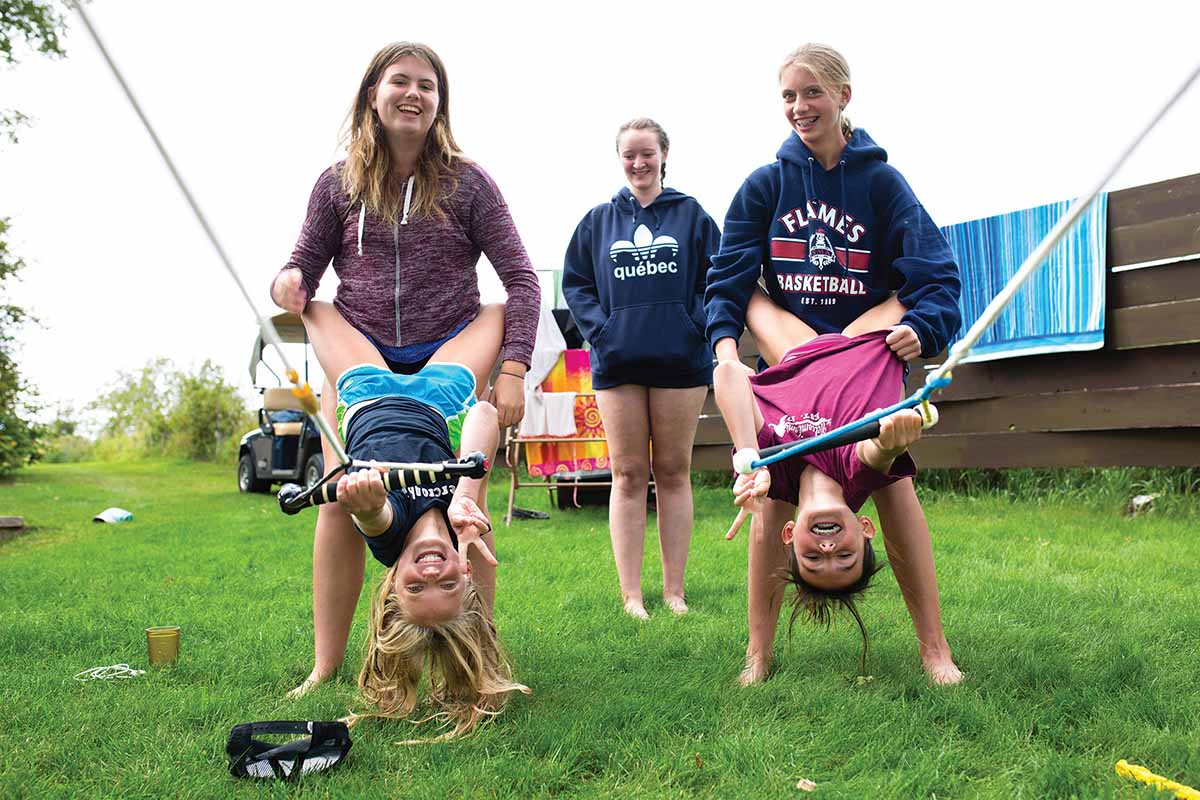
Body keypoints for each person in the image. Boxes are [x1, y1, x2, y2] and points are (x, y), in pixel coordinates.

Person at [272, 42, 540, 697]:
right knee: (339, 500)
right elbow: (305, 259)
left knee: (465, 512)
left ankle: (479, 648)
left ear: (439, 103)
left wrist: (512, 372)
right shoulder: (337, 184)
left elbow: (522, 282)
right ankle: (326, 663)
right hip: (360, 347)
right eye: (400, 82)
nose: (413, 94)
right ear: (374, 93)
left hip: (450, 344)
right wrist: (290, 279)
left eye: (427, 85)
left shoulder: (469, 184)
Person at [704, 43, 962, 684]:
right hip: (791, 356)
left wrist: (920, 328)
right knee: (770, 509)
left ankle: (936, 650)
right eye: (789, 96)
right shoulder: (766, 184)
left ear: (844, 96)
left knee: (896, 492)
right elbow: (729, 277)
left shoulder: (881, 183)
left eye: (812, 92)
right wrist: (726, 346)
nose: (799, 107)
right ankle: (757, 657)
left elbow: (936, 276)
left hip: (866, 351)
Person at [296, 300, 527, 741]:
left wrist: (365, 503)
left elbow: (375, 516)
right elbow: (483, 415)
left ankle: (324, 666)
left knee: (309, 305)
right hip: (442, 398)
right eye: (447, 584)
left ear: (394, 582)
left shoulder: (391, 536)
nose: (431, 571)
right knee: (496, 312)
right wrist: (465, 494)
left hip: (367, 392)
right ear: (464, 573)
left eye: (416, 587)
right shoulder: (463, 528)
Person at [562, 118, 721, 619]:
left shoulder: (691, 215)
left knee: (673, 471)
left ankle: (674, 591)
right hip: (617, 363)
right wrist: (603, 331)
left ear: (664, 154)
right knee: (628, 474)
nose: (638, 163)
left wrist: (696, 323)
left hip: (682, 362)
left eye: (646, 153)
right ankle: (631, 595)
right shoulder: (597, 222)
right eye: (629, 155)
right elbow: (577, 284)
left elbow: (718, 277)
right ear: (620, 159)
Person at [715, 323, 925, 682]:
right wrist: (893, 440)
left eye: (813, 557)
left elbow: (729, 372)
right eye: (845, 556)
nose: (828, 546)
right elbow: (877, 451)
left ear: (789, 534)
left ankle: (758, 656)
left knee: (747, 290)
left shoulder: (775, 471)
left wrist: (751, 459)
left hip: (794, 347)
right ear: (865, 528)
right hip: (865, 341)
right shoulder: (858, 473)